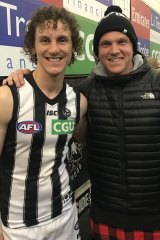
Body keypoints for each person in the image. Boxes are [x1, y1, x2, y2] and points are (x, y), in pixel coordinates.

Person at [4, 4, 160, 240]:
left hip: (76, 219)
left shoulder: (81, 100)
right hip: (30, 225)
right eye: (45, 40)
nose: (114, 50)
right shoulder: (78, 94)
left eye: (122, 41)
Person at [0, 5, 87, 240]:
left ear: (73, 47)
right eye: (45, 40)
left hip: (65, 216)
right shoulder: (8, 97)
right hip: (18, 227)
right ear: (33, 46)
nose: (54, 49)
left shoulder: (79, 102)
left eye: (62, 40)